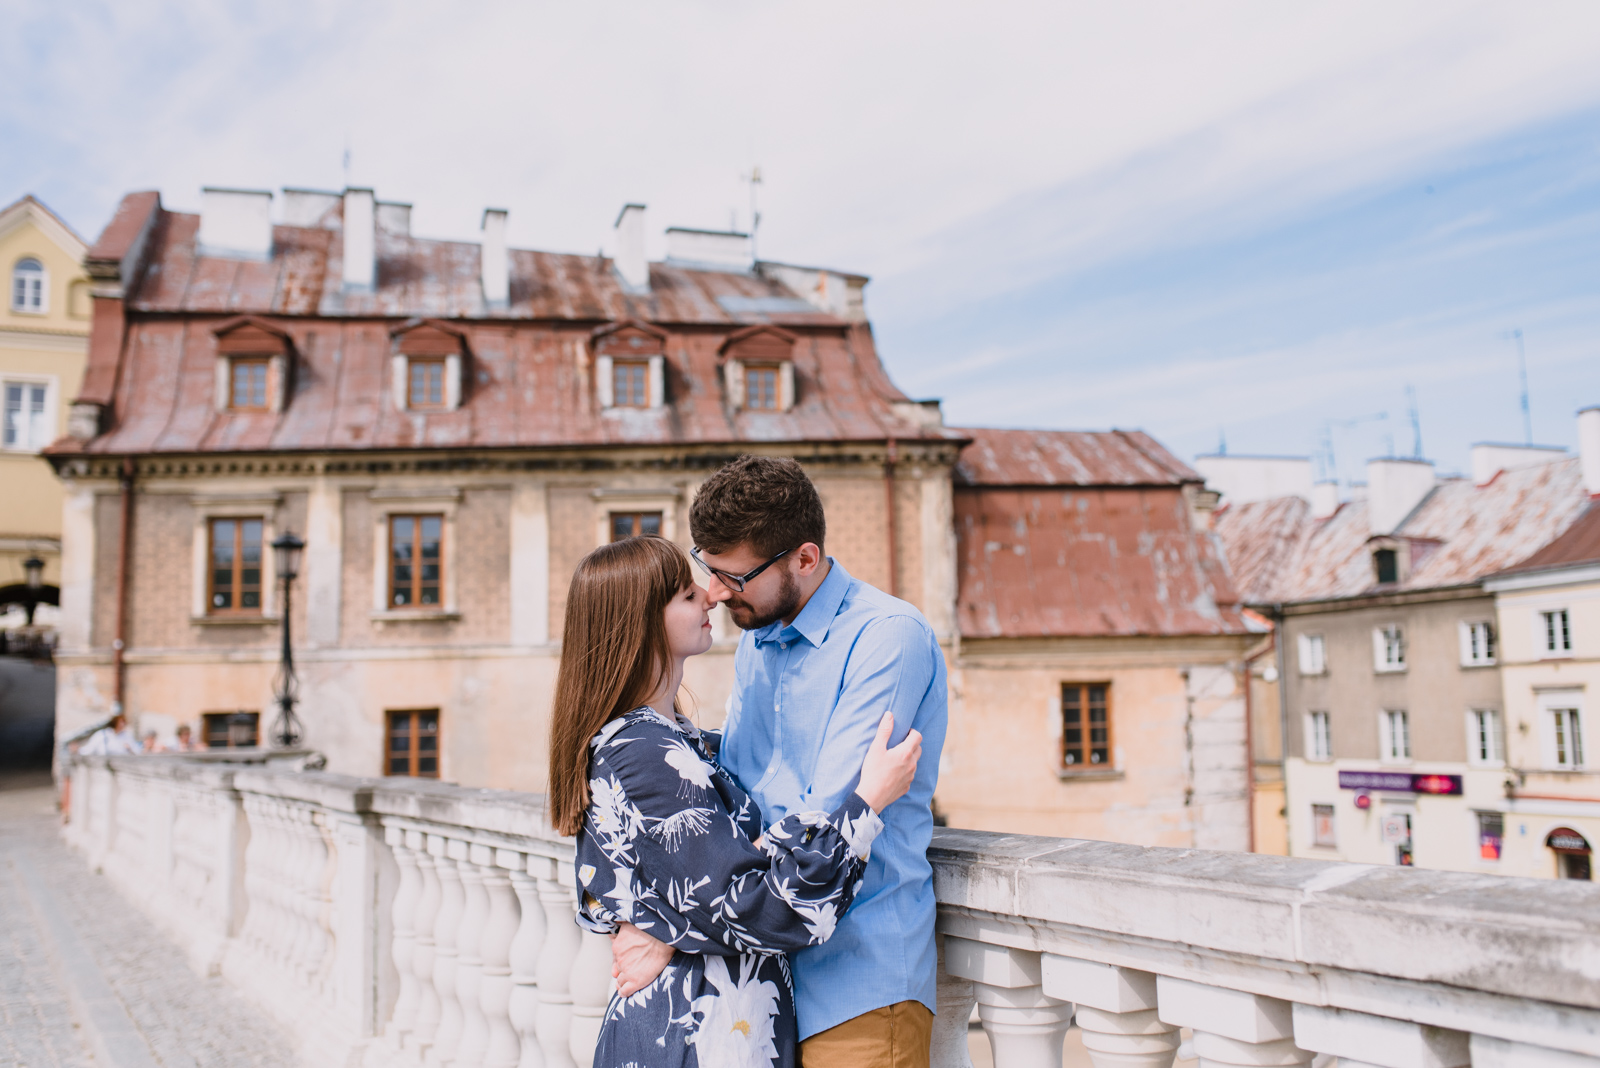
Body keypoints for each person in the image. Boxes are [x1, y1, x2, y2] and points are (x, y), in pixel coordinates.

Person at [612, 455, 950, 1068]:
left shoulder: (887, 637)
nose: (716, 593)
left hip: (858, 981)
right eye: (707, 571)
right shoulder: (758, 637)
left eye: (734, 577)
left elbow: (828, 819)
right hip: (760, 978)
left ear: (804, 558)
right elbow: (734, 801)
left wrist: (678, 925)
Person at [548, 535, 922, 1068]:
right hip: (695, 1033)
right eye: (683, 594)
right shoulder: (645, 752)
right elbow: (760, 910)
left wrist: (670, 930)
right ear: (640, 623)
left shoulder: (674, 740)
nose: (710, 595)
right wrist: (866, 803)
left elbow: (708, 880)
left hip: (704, 1024)